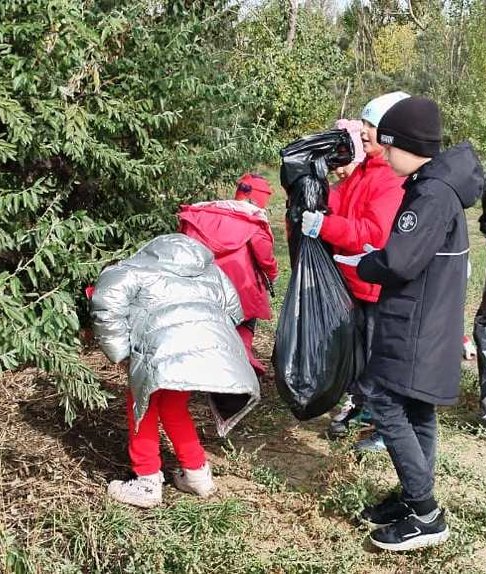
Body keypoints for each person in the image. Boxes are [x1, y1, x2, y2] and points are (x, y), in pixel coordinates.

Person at [335, 96, 484, 551]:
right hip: (428, 317)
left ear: (405, 144)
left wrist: (365, 264)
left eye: (386, 142)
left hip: (415, 322)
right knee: (416, 408)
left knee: (384, 401)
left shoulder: (432, 194)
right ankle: (411, 497)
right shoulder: (435, 185)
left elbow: (399, 261)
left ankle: (426, 514)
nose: (381, 149)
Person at [91, 234, 260, 508]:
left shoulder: (132, 269)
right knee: (173, 406)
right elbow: (234, 311)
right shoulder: (210, 270)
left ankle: (146, 481)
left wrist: (119, 352)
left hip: (159, 350)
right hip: (199, 349)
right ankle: (197, 473)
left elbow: (105, 306)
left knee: (142, 407)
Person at [300, 91, 409, 451]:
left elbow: (373, 235)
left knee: (379, 359)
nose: (363, 132)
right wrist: (312, 185)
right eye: (363, 123)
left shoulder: (390, 179)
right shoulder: (366, 169)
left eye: (371, 125)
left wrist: (324, 227)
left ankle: (382, 425)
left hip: (377, 287)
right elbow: (341, 201)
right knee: (358, 354)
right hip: (354, 282)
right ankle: (361, 408)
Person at [178, 174, 279, 375]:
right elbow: (265, 257)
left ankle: (212, 365)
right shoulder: (253, 222)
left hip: (207, 284)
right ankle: (243, 360)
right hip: (243, 285)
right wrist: (272, 273)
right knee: (245, 321)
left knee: (213, 325)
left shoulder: (202, 214)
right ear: (260, 199)